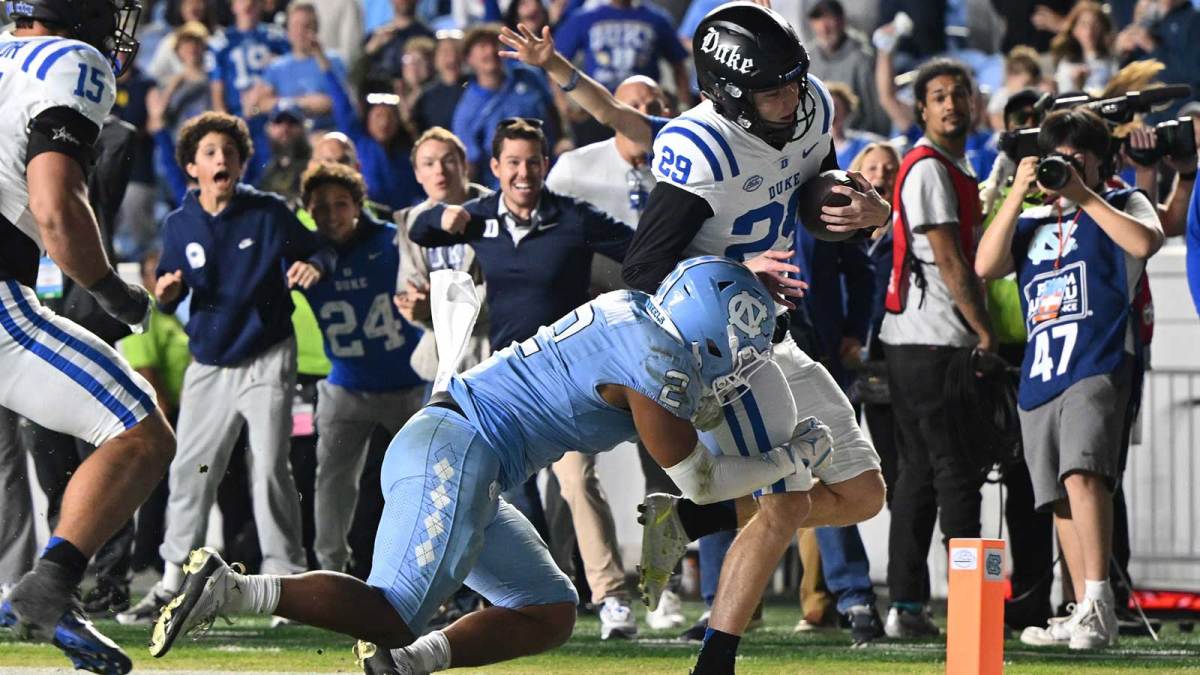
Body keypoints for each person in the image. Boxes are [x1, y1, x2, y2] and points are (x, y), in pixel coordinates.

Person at [147, 257, 831, 675]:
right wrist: (790, 458)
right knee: (391, 610)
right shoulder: (658, 364)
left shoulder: (637, 313)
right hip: (458, 449)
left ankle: (407, 666)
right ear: (705, 335)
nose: (738, 368)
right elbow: (702, 482)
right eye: (736, 349)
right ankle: (231, 590)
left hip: (468, 452)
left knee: (550, 609)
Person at [617, 4, 889, 670]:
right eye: (774, 88)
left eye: (796, 80)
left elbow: (812, 193)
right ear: (727, 94)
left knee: (862, 494)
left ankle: (690, 520)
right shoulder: (700, 146)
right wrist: (738, 273)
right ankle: (717, 659)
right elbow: (643, 271)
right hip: (718, 352)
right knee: (784, 501)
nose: (792, 97)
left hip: (776, 334)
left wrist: (865, 213)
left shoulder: (810, 105)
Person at [0, 2, 177, 673]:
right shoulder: (70, 60)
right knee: (141, 431)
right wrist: (112, 289)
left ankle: (50, 595)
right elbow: (54, 203)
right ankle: (47, 589)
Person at [118, 111, 329, 626]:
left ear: (241, 162)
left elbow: (316, 248)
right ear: (192, 166)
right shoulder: (178, 224)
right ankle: (171, 584)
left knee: (269, 468)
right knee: (192, 470)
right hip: (209, 361)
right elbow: (170, 293)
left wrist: (314, 265)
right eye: (210, 152)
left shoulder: (268, 211)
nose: (221, 159)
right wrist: (166, 296)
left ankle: (288, 586)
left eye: (229, 153)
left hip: (267, 355)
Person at [975, 107, 1164, 649]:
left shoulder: (1122, 201)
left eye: (1080, 153)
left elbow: (1144, 243)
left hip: (1098, 360)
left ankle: (1101, 603)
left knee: (1084, 475)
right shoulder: (1034, 220)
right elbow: (986, 265)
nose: (1069, 162)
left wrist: (1083, 194)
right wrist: (1017, 191)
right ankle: (1083, 607)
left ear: (1103, 160)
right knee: (1056, 494)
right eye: (1061, 153)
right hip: (1041, 369)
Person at [879, 57, 993, 638]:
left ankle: (906, 605)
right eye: (940, 96)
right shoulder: (928, 168)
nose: (951, 104)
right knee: (956, 471)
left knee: (920, 472)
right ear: (922, 108)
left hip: (913, 340)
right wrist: (984, 330)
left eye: (959, 95)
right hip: (935, 340)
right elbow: (949, 259)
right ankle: (967, 608)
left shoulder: (952, 164)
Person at [297, 163, 426, 574]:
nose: (332, 215)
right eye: (321, 207)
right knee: (331, 483)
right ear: (308, 210)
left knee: (425, 480)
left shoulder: (393, 243)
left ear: (358, 206)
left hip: (407, 386)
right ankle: (329, 570)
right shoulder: (304, 253)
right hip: (345, 385)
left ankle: (431, 570)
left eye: (341, 204)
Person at [393, 127, 492, 384]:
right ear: (417, 174)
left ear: (464, 165)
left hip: (492, 353)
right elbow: (408, 289)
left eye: (448, 160)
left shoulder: (495, 210)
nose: (439, 170)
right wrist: (414, 307)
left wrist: (435, 308)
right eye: (428, 163)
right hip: (439, 362)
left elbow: (502, 290)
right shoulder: (409, 220)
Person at [451, 25, 559, 188]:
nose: (490, 51)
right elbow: (470, 164)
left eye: (494, 43)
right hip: (507, 189)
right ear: (469, 59)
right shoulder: (466, 110)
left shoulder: (529, 76)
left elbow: (553, 111)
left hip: (552, 176)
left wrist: (564, 139)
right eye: (481, 47)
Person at [553, 0, 691, 107]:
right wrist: (564, 108)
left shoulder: (656, 19)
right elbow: (555, 63)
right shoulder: (584, 18)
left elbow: (679, 65)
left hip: (643, 107)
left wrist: (684, 106)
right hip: (597, 107)